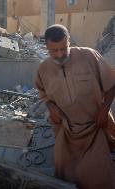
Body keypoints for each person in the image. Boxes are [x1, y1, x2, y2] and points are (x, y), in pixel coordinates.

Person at [35, 24, 115, 189]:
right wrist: (51, 107)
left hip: (94, 127)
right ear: (47, 47)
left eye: (64, 48)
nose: (59, 54)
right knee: (65, 176)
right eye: (54, 51)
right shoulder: (44, 69)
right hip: (67, 130)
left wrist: (104, 109)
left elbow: (111, 84)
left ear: (69, 41)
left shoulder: (89, 56)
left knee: (97, 177)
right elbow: (43, 93)